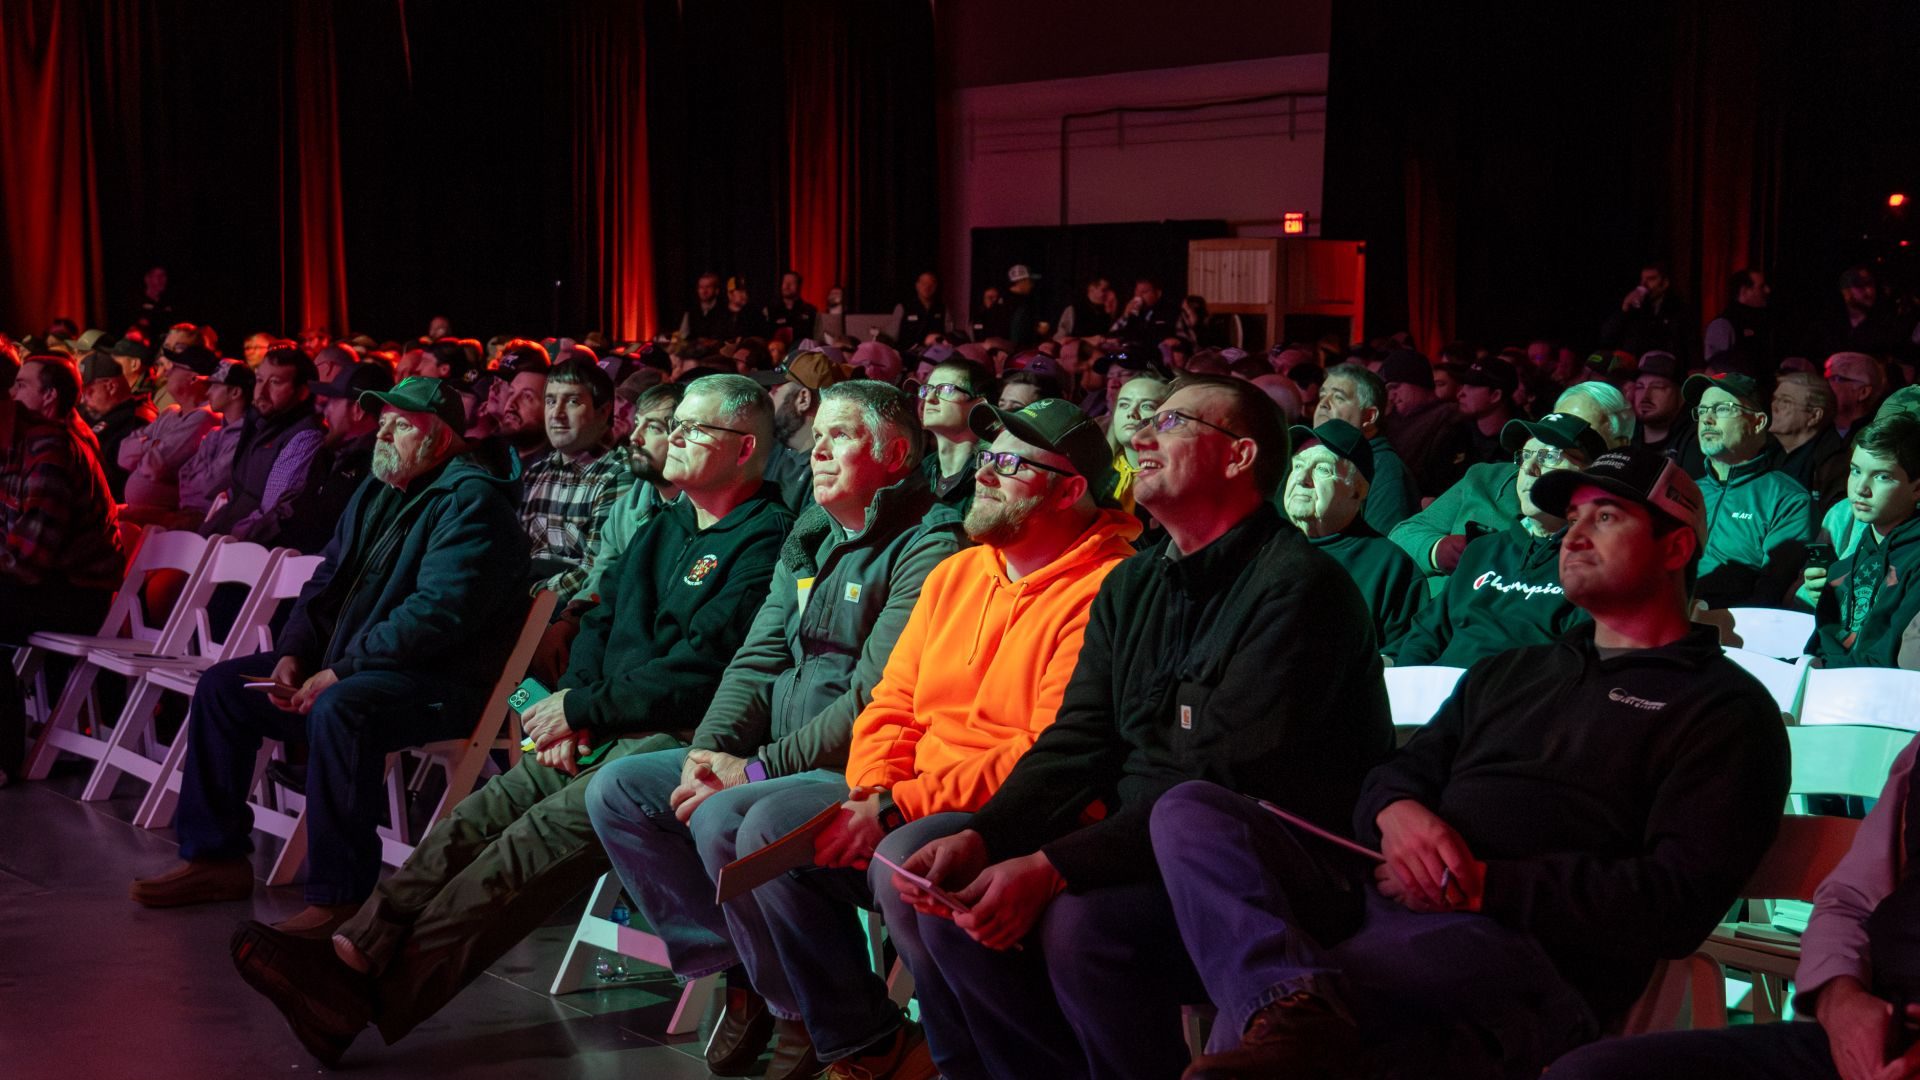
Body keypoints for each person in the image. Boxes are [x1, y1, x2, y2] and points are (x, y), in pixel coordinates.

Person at [1169, 443, 1788, 1079]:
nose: (1573, 537)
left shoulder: (1726, 711)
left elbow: (1673, 902)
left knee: (1289, 1015)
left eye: (1605, 517)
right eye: (1572, 519)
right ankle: (1289, 1003)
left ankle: (1288, 1007)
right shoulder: (1513, 671)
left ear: (1676, 550)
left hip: (1522, 957)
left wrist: (1483, 885)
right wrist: (1397, 811)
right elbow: (1396, 773)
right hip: (1386, 900)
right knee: (1191, 810)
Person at [226, 375, 794, 1067]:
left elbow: (703, 671)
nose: (673, 436)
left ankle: (358, 997)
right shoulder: (666, 522)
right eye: (674, 424)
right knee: (477, 816)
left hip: (676, 739)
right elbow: (597, 622)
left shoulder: (765, 541)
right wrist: (568, 713)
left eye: (694, 429)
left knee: (525, 848)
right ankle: (355, 949)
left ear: (743, 449)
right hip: (602, 722)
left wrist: (582, 710)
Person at [886, 377, 1390, 1080]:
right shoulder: (1135, 584)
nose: (1140, 438)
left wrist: (1052, 867)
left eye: (1173, 423)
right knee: (956, 892)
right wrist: (985, 836)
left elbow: (1226, 781)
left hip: (1260, 869)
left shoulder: (1299, 586)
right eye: (1143, 422)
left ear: (1240, 456)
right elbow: (1078, 741)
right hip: (1141, 841)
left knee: (1081, 926)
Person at [640, 396, 1133, 1078]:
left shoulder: (1108, 586)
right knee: (764, 832)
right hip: (898, 787)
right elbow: (891, 700)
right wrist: (873, 790)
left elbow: (1045, 750)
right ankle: (857, 1042)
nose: (984, 474)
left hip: (1011, 806)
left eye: (1010, 462)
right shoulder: (963, 570)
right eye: (985, 457)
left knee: (899, 853)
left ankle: (956, 1056)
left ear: (1072, 488)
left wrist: (896, 807)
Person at [585, 381, 966, 1077]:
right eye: (815, 435)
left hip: (856, 767)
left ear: (897, 454)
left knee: (726, 817)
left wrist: (755, 768)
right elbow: (758, 655)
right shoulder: (813, 532)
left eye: (840, 436)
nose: (817, 450)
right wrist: (710, 748)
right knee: (620, 791)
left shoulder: (928, 545)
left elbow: (873, 699)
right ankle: (757, 981)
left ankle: (843, 1028)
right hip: (770, 758)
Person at [132, 378, 530, 925]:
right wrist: (294, 653)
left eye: (398, 424)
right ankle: (215, 858)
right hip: (363, 664)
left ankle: (338, 896)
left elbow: (438, 615)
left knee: (342, 707)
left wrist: (342, 670)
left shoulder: (472, 502)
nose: (382, 434)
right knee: (224, 688)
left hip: (440, 686)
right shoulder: (379, 488)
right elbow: (325, 582)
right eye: (382, 420)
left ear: (438, 435)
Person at [1388, 413, 1604, 667]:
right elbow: (1426, 633)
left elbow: (1569, 665)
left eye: (1548, 457)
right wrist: (1412, 684)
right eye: (1525, 456)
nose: (1530, 470)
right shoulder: (1484, 550)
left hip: (1515, 699)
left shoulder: (1594, 565)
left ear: (1591, 474)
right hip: (1439, 689)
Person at [1388, 382, 1631, 599]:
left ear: (1618, 446)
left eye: (1576, 430)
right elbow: (1403, 534)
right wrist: (1438, 550)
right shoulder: (1486, 477)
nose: (1557, 434)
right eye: (1558, 420)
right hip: (1432, 615)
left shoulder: (1606, 514)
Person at [0, 383, 125, 784]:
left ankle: (3, 759)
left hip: (76, 594)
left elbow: (27, 561)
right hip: (37, 582)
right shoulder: (11, 445)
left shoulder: (48, 449)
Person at [1286, 418, 1427, 649]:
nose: (1302, 479)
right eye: (1298, 465)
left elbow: (1405, 656)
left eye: (1322, 469)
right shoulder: (1265, 546)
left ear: (1358, 490)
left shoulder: (1391, 567)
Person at [1685, 372, 1813, 609]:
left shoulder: (1787, 498)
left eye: (1722, 409)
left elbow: (1770, 593)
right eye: (1702, 411)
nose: (1707, 419)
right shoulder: (1685, 490)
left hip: (1730, 633)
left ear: (1758, 422)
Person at [1804, 413, 1920, 669]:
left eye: (1882, 476)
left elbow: (1887, 658)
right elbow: (1819, 648)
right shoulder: (1841, 569)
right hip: (1831, 687)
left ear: (1917, 489)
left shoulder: (1915, 561)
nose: (1860, 488)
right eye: (1855, 471)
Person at [519, 358, 634, 598]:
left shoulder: (618, 474)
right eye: (551, 401)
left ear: (603, 413)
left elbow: (597, 570)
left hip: (571, 610)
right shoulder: (536, 473)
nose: (557, 414)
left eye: (572, 402)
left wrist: (530, 594)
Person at [201, 347, 327, 542]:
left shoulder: (304, 436)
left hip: (248, 551)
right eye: (259, 380)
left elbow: (270, 513)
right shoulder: (260, 424)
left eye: (275, 382)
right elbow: (237, 492)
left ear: (302, 392)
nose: (261, 390)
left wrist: (224, 542)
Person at [269, 362, 395, 555]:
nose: (325, 411)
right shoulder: (328, 453)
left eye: (333, 402)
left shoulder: (378, 470)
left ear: (357, 410)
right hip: (289, 562)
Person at [118, 344, 221, 523]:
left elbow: (156, 466)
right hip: (144, 514)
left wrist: (145, 448)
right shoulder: (170, 412)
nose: (166, 373)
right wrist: (153, 445)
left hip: (169, 518)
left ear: (193, 378)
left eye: (174, 368)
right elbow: (123, 456)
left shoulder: (204, 416)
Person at [1315, 362, 1419, 534]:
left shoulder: (1384, 471)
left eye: (1338, 398)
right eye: (1322, 396)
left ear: (1369, 416)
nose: (1324, 404)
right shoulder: (1310, 456)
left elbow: (1380, 549)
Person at [755, 349, 852, 512]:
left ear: (803, 399)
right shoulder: (775, 449)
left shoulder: (825, 471)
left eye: (775, 390)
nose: (768, 396)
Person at [1379, 348, 1468, 500]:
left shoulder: (1448, 417)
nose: (1392, 395)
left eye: (1395, 387)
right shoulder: (1392, 419)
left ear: (1417, 381)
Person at [173, 362, 254, 528]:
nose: (208, 392)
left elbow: (211, 485)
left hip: (211, 521)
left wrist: (198, 479)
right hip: (189, 513)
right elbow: (183, 475)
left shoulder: (244, 438)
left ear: (235, 392)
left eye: (215, 386)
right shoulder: (214, 434)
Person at [918, 357, 993, 517]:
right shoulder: (921, 472)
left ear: (979, 406)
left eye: (945, 389)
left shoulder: (989, 475)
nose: (929, 398)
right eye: (927, 389)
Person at [78, 351, 157, 500]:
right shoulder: (91, 413)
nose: (82, 400)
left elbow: (116, 482)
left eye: (88, 391)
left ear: (111, 386)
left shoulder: (136, 423)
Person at [1773, 370, 1848, 523]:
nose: (1774, 406)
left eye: (1785, 402)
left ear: (1814, 416)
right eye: (1775, 399)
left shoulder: (1836, 466)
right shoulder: (1765, 454)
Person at [1600, 261, 1695, 366]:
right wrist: (1625, 308)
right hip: (1635, 371)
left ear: (1665, 283)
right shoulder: (1635, 309)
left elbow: (1690, 345)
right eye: (1642, 280)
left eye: (1651, 279)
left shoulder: (1679, 309)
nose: (1644, 284)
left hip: (1666, 371)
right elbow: (1607, 336)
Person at [1107, 370, 1171, 515]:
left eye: (1147, 406)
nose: (1131, 413)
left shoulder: (1174, 482)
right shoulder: (1095, 475)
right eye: (1124, 405)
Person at [1816, 265, 1907, 362]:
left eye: (1871, 284)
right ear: (1845, 291)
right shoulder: (1829, 325)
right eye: (1860, 285)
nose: (1869, 291)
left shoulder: (1886, 325)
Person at [1704, 267, 1777, 375]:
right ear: (1744, 291)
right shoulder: (1723, 324)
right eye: (1761, 287)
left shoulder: (1765, 320)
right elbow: (1717, 368)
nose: (1768, 290)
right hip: (1739, 389)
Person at [1630, 350, 1695, 466]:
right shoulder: (1625, 436)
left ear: (1681, 395)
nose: (1645, 396)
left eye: (1657, 387)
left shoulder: (1695, 441)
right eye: (1640, 387)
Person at [1453, 358, 1520, 466]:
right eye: (1463, 385)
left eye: (1472, 386)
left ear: (1495, 395)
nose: (1460, 394)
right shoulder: (1457, 433)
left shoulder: (1522, 444)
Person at [493, 341, 552, 464]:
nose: (511, 403)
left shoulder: (555, 471)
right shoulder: (489, 455)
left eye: (527, 397)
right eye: (511, 393)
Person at [1108, 276, 1188, 344]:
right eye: (1137, 292)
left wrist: (1175, 342)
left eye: (1144, 292)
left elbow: (1186, 340)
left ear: (1158, 293)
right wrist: (1125, 316)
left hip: (1155, 358)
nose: (1139, 296)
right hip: (1133, 355)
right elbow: (1112, 333)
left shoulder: (1170, 311)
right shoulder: (1134, 314)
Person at [1827, 351, 1886, 441]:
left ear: (1863, 392)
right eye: (1827, 378)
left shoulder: (1876, 440)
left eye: (1837, 379)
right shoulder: (1817, 431)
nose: (1826, 384)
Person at [891, 272, 950, 347]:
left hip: (934, 353)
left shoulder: (942, 308)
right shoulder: (903, 307)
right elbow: (892, 336)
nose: (927, 287)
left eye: (931, 284)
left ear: (936, 287)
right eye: (923, 283)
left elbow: (949, 335)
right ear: (917, 285)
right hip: (908, 353)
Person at [765, 270, 820, 344]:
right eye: (785, 282)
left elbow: (816, 336)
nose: (787, 285)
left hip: (802, 352)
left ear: (799, 286)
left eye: (792, 283)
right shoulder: (771, 309)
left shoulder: (810, 311)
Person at [679, 272, 730, 342]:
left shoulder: (725, 310)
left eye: (708, 287)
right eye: (701, 287)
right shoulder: (691, 309)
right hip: (694, 350)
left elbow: (727, 337)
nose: (704, 291)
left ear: (716, 290)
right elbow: (683, 334)